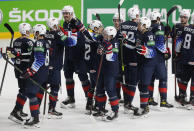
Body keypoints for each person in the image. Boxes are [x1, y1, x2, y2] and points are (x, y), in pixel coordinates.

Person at [135, 16, 172, 116]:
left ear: (144, 26)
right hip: (143, 63)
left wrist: (145, 50)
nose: (137, 25)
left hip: (149, 64)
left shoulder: (149, 35)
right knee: (142, 85)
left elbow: (152, 51)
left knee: (144, 85)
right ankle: (145, 105)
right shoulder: (139, 33)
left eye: (139, 24)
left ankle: (144, 107)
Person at [60, 5, 91, 108]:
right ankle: (71, 98)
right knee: (67, 75)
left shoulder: (76, 22)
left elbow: (85, 33)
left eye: (67, 13)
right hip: (69, 54)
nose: (65, 15)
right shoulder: (65, 23)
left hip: (79, 54)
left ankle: (90, 99)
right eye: (64, 13)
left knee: (83, 77)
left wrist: (92, 41)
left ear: (72, 14)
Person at [36, 18, 64, 118]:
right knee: (55, 87)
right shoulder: (58, 35)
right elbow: (70, 42)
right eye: (56, 25)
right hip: (55, 65)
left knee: (41, 87)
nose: (57, 27)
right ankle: (51, 109)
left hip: (43, 66)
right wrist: (64, 34)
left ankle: (36, 109)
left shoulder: (44, 33)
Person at [23, 24, 49, 127]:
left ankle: (35, 118)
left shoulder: (38, 42)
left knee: (30, 93)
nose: (34, 33)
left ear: (38, 33)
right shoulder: (46, 42)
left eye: (35, 32)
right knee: (37, 92)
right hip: (44, 73)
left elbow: (40, 60)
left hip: (38, 73)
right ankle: (35, 114)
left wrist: (31, 71)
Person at [7, 23, 34, 124]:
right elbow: (31, 56)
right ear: (26, 31)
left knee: (22, 89)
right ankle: (15, 111)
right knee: (24, 90)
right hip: (25, 70)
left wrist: (15, 55)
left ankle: (20, 110)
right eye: (29, 30)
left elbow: (13, 55)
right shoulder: (29, 42)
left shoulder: (16, 41)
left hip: (17, 69)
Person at [93, 26, 119, 121]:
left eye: (105, 34)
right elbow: (92, 36)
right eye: (103, 34)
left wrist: (108, 50)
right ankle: (101, 109)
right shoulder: (102, 39)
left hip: (110, 70)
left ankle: (115, 111)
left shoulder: (115, 43)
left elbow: (112, 57)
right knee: (99, 89)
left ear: (111, 36)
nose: (103, 35)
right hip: (101, 68)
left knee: (110, 90)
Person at [147, 11, 173, 108]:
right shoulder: (159, 27)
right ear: (158, 19)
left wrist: (165, 35)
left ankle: (149, 98)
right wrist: (165, 52)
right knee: (163, 79)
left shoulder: (148, 27)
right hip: (158, 58)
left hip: (149, 57)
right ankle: (163, 101)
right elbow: (159, 43)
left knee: (151, 79)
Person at [119, 7, 140, 113]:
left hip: (122, 56)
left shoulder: (122, 25)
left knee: (125, 80)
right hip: (133, 56)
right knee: (132, 81)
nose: (138, 17)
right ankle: (128, 103)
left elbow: (119, 38)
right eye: (137, 15)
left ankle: (126, 102)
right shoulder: (138, 26)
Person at [172, 9, 192, 105]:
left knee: (183, 77)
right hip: (181, 57)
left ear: (188, 18)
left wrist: (176, 52)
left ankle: (184, 96)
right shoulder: (176, 27)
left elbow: (178, 43)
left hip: (183, 56)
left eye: (184, 17)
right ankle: (182, 95)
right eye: (181, 17)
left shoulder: (184, 29)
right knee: (180, 77)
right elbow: (171, 38)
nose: (182, 19)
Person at [84, 20, 104, 112]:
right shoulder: (95, 37)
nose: (102, 29)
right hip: (94, 65)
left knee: (93, 86)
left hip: (89, 64)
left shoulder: (88, 36)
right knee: (98, 86)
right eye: (100, 27)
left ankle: (89, 104)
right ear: (95, 29)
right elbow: (99, 37)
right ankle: (96, 105)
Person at [112, 12, 125, 103]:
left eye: (118, 21)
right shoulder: (111, 30)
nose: (116, 22)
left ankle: (126, 98)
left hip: (124, 58)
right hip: (115, 58)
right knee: (116, 78)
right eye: (115, 21)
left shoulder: (125, 31)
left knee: (124, 79)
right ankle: (117, 95)